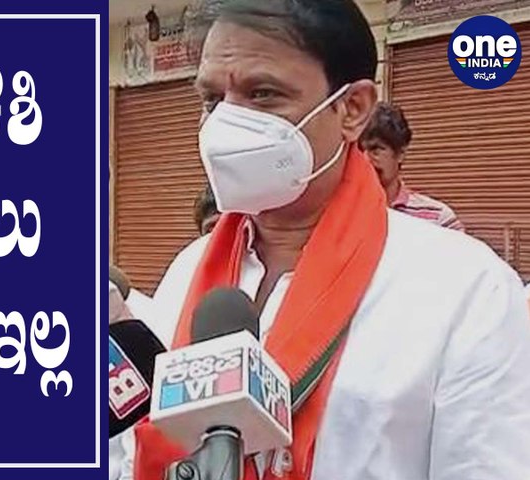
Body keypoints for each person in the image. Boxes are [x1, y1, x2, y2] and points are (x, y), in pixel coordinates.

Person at [126, 1, 530, 479]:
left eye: (263, 94)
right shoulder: (189, 271)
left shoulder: (464, 289)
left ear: (353, 109)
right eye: (213, 100)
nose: (226, 126)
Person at [360, 102, 464, 231]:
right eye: (359, 150)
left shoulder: (438, 219)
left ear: (400, 154)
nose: (365, 159)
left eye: (375, 149)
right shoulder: (343, 215)